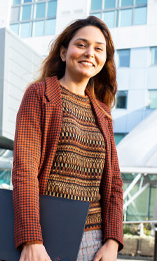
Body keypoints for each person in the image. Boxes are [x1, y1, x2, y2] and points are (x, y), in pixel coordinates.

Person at [12, 16, 124, 261]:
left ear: (104, 60)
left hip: (96, 243)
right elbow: (25, 170)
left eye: (98, 48)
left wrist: (113, 240)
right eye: (81, 45)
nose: (89, 53)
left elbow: (114, 183)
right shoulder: (39, 94)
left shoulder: (103, 112)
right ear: (64, 52)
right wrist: (32, 239)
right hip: (46, 236)